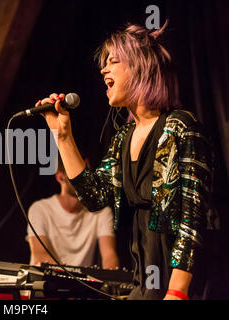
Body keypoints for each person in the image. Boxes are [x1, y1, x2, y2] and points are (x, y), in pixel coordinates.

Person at [35, 22, 215, 300]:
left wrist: (177, 292)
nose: (103, 70)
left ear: (141, 67)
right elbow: (94, 196)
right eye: (103, 65)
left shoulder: (180, 127)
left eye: (113, 62)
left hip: (185, 285)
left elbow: (193, 218)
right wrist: (63, 136)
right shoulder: (123, 139)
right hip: (144, 284)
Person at [26, 156, 119, 269]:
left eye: (87, 173)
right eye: (76, 173)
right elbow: (40, 255)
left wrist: (112, 281)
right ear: (61, 178)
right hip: (45, 284)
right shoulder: (40, 209)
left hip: (78, 286)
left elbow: (109, 255)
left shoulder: (101, 212)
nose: (86, 179)